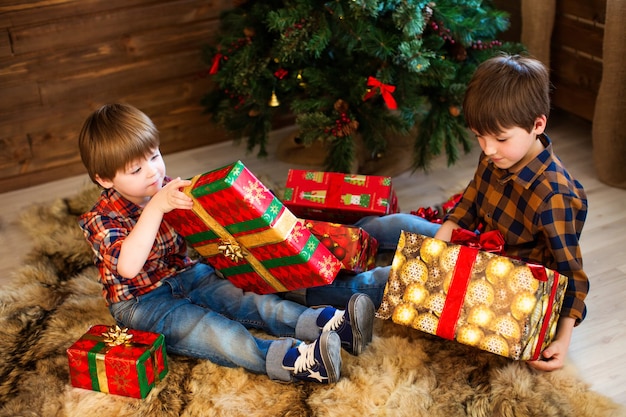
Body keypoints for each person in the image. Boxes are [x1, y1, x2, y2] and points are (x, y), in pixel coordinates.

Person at [302, 53, 589, 372]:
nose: (488, 148)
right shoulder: (498, 156)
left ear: (538, 124)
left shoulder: (555, 197)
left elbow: (572, 275)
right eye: (480, 136)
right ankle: (318, 237)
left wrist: (562, 339)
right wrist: (448, 228)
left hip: (504, 290)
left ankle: (299, 285)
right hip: (480, 247)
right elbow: (473, 197)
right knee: (401, 224)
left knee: (390, 278)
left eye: (500, 138)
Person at [77, 103, 376, 385]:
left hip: (188, 274)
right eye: (136, 170)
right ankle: (294, 362)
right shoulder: (100, 219)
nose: (153, 172)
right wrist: (156, 207)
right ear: (104, 179)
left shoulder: (166, 187)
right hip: (141, 302)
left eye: (154, 156)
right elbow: (129, 267)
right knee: (211, 330)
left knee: (248, 300)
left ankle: (329, 325)